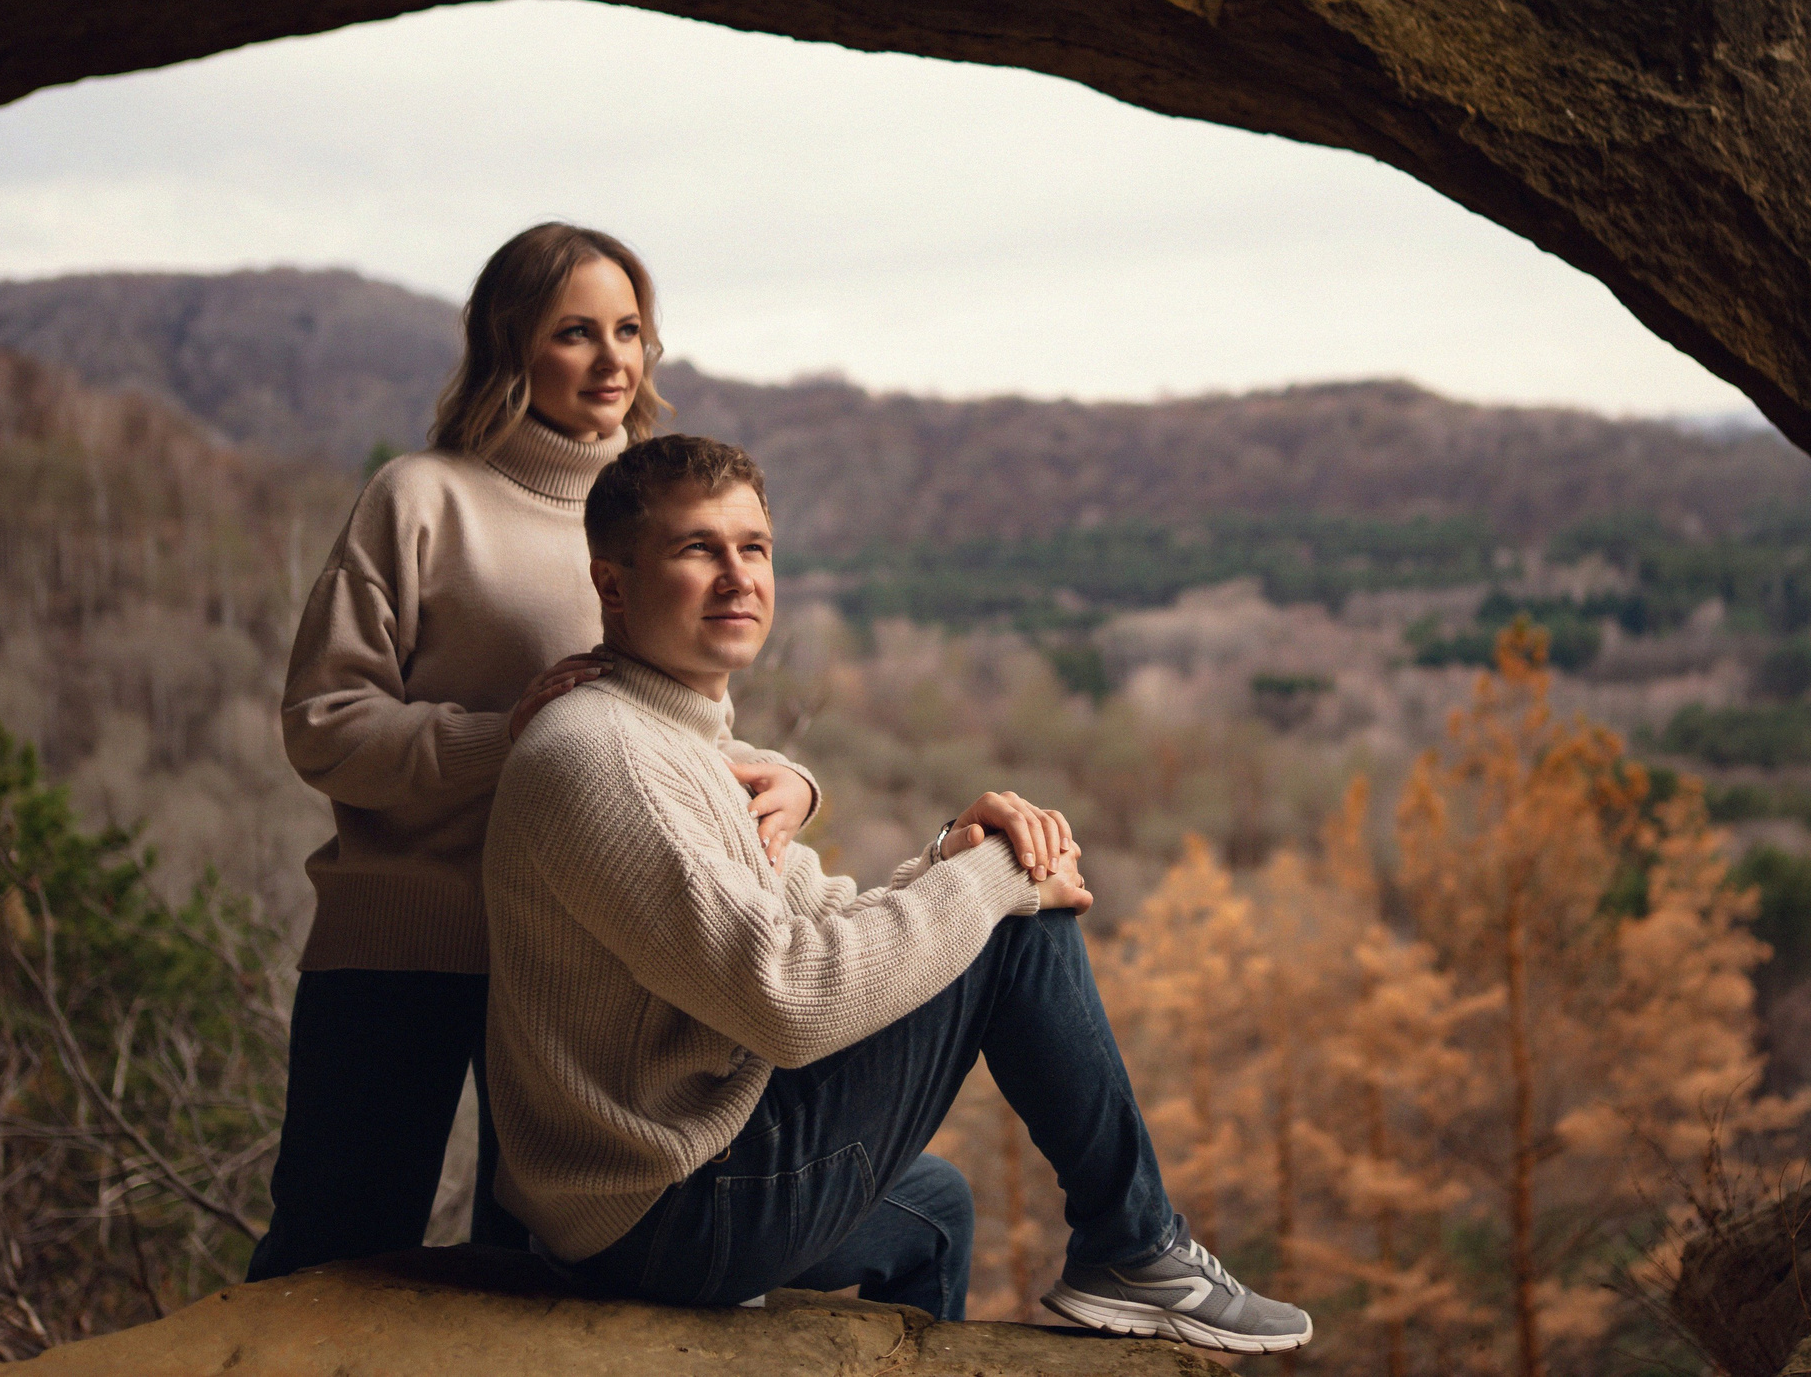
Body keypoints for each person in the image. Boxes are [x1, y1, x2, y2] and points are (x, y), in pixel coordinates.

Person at [480, 435, 1314, 1353]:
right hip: (663, 1208)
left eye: (753, 548)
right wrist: (995, 878)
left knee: (935, 1205)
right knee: (1012, 924)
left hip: (651, 1198)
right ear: (612, 583)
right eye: (696, 549)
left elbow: (812, 914)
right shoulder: (605, 754)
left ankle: (1113, 1258)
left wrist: (946, 856)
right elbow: (786, 998)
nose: (737, 576)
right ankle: (1136, 1246)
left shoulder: (682, 743)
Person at [249, 225, 823, 1282]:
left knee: (537, 1281)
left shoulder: (654, 508)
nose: (613, 361)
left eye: (630, 331)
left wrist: (790, 778)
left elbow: (680, 723)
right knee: (333, 1249)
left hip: (576, 966)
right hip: (404, 946)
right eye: (575, 333)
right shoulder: (419, 497)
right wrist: (501, 735)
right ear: (510, 344)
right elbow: (323, 725)